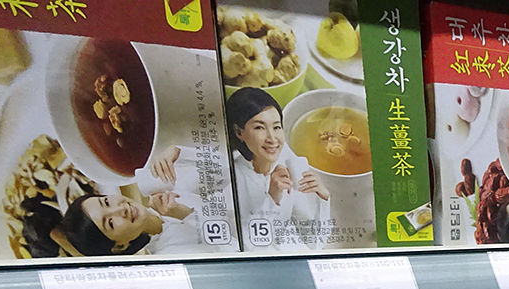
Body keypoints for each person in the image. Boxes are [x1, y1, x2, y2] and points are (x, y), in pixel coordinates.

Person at [49, 145, 216, 256]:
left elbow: (227, 166)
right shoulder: (169, 255)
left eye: (106, 202)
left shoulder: (153, 180)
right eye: (110, 222)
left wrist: (179, 151)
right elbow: (228, 249)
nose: (120, 209)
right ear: (119, 246)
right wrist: (186, 215)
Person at [226, 87, 329, 250]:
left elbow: (313, 242)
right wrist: (272, 198)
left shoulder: (289, 164)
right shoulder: (231, 178)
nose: (272, 138)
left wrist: (322, 199)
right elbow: (244, 247)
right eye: (259, 127)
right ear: (239, 132)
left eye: (276, 127)